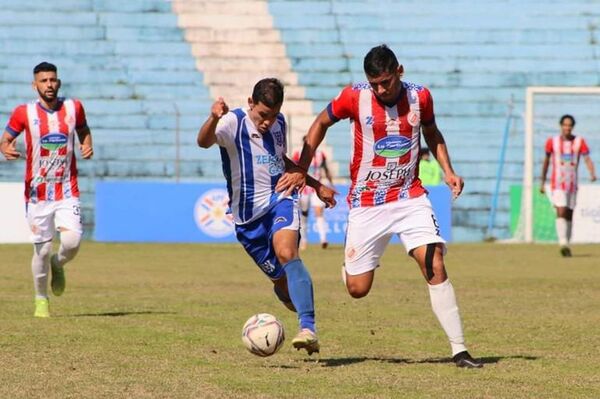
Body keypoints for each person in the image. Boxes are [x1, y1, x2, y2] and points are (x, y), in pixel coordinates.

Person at [277, 45, 482, 368]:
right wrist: (302, 167)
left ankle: (460, 349)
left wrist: (448, 170)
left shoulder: (421, 97)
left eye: (386, 82)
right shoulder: (353, 97)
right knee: (358, 290)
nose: (380, 89)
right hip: (367, 203)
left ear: (399, 71)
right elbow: (320, 123)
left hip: (409, 197)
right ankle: (350, 268)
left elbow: (432, 132)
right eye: (374, 84)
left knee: (434, 262)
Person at [197, 78, 336, 355]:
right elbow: (203, 142)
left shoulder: (280, 123)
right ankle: (302, 311)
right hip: (247, 220)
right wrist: (213, 118)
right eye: (263, 115)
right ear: (250, 103)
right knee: (284, 289)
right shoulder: (232, 122)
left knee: (287, 252)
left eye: (273, 116)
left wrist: (315, 184)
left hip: (280, 199)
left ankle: (307, 327)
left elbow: (279, 159)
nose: (267, 122)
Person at [0, 62, 93, 318]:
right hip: (37, 192)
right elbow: (5, 140)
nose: (49, 85)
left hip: (66, 188)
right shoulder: (24, 113)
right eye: (43, 81)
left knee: (72, 242)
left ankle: (58, 262)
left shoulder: (74, 107)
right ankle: (41, 300)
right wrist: (5, 149)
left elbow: (84, 130)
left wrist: (87, 144)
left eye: (52, 80)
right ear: (35, 85)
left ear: (58, 82)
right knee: (41, 249)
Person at [540, 114, 596, 257]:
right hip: (557, 183)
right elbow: (546, 161)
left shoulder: (579, 141)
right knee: (561, 209)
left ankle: (567, 245)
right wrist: (542, 181)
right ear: (561, 126)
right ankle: (563, 242)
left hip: (572, 184)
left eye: (570, 125)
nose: (567, 127)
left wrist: (592, 173)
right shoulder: (552, 142)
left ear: (572, 127)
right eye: (565, 125)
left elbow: (587, 158)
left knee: (570, 214)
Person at [292, 135, 334, 250]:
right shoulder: (297, 153)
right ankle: (303, 241)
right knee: (304, 215)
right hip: (303, 189)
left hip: (317, 189)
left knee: (319, 212)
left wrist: (331, 184)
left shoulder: (320, 154)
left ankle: (323, 239)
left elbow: (325, 169)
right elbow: (292, 169)